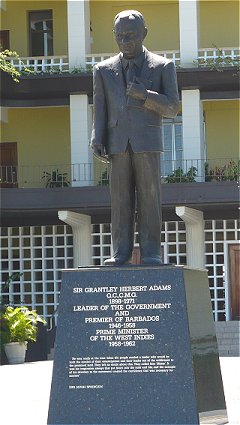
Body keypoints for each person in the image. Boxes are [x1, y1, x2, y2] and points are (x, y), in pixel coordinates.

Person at [91, 10, 179, 265]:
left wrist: (145, 95)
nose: (125, 41)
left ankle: (151, 252)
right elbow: (100, 107)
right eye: (120, 36)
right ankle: (120, 252)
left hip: (147, 143)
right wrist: (98, 137)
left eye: (130, 35)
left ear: (144, 34)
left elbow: (173, 107)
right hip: (118, 144)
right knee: (120, 200)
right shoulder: (103, 70)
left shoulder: (163, 66)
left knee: (149, 198)